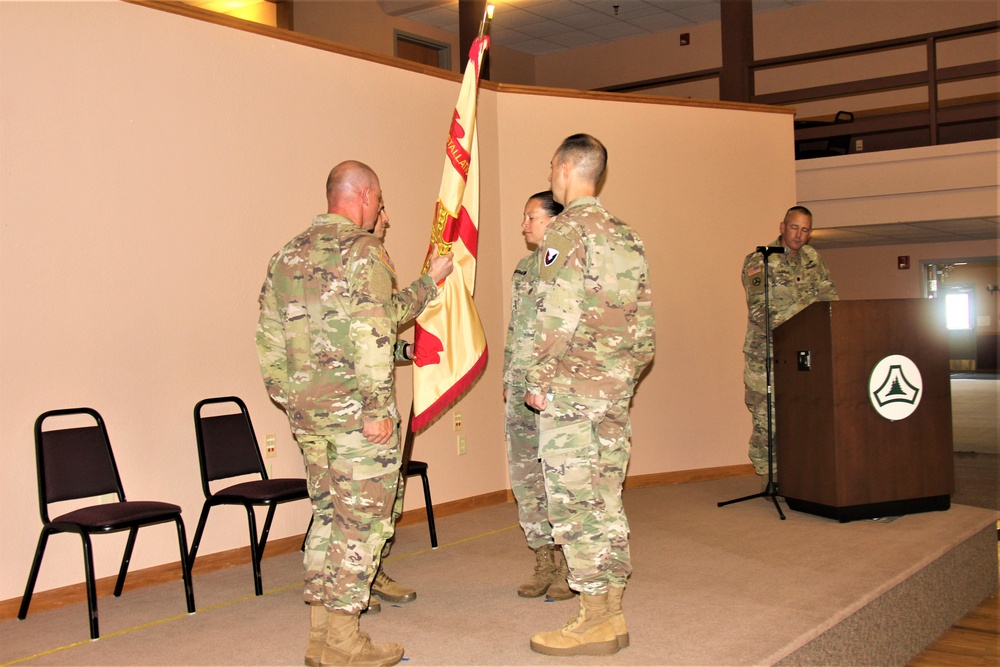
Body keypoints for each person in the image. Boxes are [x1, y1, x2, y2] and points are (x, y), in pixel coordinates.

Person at [256, 160, 453, 667]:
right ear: (363, 196)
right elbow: (371, 331)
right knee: (360, 525)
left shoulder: (287, 255)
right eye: (379, 197)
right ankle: (344, 642)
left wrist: (294, 400)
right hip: (357, 420)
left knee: (327, 518)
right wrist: (374, 409)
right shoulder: (363, 252)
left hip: (310, 419)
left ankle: (320, 638)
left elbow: (269, 342)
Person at [523, 134, 655, 656]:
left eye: (552, 164)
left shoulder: (567, 231)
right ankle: (611, 613)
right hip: (613, 394)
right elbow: (645, 334)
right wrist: (619, 380)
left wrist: (539, 379)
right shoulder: (627, 236)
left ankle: (594, 617)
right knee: (605, 499)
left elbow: (556, 317)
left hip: (572, 394)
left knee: (575, 506)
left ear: (562, 167)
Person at [502, 191, 574, 603]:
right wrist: (510, 377)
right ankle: (544, 558)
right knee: (527, 475)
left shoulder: (570, 264)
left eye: (531, 217)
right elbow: (517, 329)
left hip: (555, 389)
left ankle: (570, 563)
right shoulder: (525, 268)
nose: (524, 225)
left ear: (554, 220)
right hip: (520, 387)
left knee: (560, 476)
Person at [742, 205, 837, 485]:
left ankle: (796, 475)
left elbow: (829, 298)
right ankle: (769, 475)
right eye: (794, 227)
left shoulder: (812, 259)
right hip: (766, 357)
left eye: (805, 229)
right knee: (767, 421)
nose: (799, 234)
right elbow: (760, 310)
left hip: (804, 356)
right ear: (782, 227)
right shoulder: (759, 261)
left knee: (803, 416)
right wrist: (805, 316)